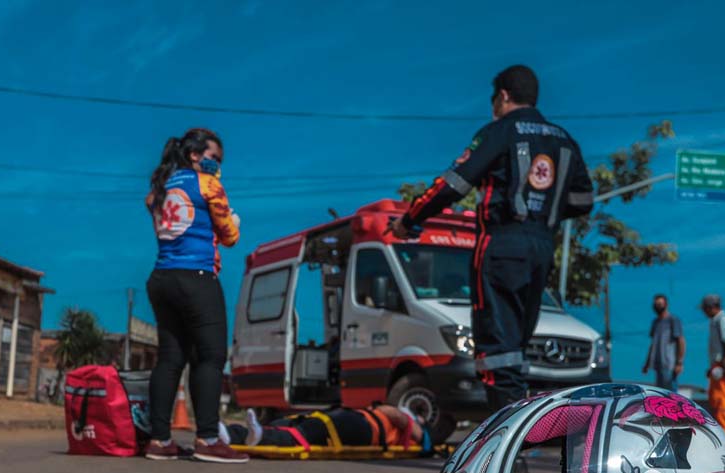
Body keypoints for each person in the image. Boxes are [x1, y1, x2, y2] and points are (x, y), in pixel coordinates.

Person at [387, 65, 594, 411]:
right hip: (543, 247)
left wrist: (409, 220)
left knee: (497, 347)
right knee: (518, 343)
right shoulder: (564, 139)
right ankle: (520, 426)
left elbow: (453, 184)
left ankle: (505, 434)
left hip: (501, 244)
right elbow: (583, 199)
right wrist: (546, 209)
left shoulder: (500, 132)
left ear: (503, 96)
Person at [144, 128, 247, 463]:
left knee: (170, 359)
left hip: (162, 278)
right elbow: (229, 236)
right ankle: (208, 439)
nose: (218, 165)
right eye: (214, 157)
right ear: (194, 155)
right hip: (197, 277)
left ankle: (159, 441)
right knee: (211, 356)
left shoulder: (158, 191)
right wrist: (234, 221)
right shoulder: (209, 185)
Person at [219, 406, 423, 449]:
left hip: (364, 428)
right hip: (356, 422)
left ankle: (259, 435)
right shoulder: (400, 424)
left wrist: (411, 422)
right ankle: (230, 434)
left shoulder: (409, 425)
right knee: (296, 422)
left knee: (310, 430)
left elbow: (396, 415)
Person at [701, 294, 725, 437]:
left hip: (722, 365)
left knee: (720, 397)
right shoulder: (715, 322)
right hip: (717, 365)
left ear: (712, 307)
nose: (704, 312)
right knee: (715, 397)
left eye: (705, 308)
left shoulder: (723, 321)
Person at [642, 293, 685, 391]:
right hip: (658, 365)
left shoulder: (673, 320)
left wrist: (679, 363)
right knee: (660, 393)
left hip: (669, 364)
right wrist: (647, 363)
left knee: (670, 393)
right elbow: (653, 344)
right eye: (656, 304)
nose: (658, 307)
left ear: (666, 305)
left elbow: (681, 341)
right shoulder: (655, 322)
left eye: (660, 304)